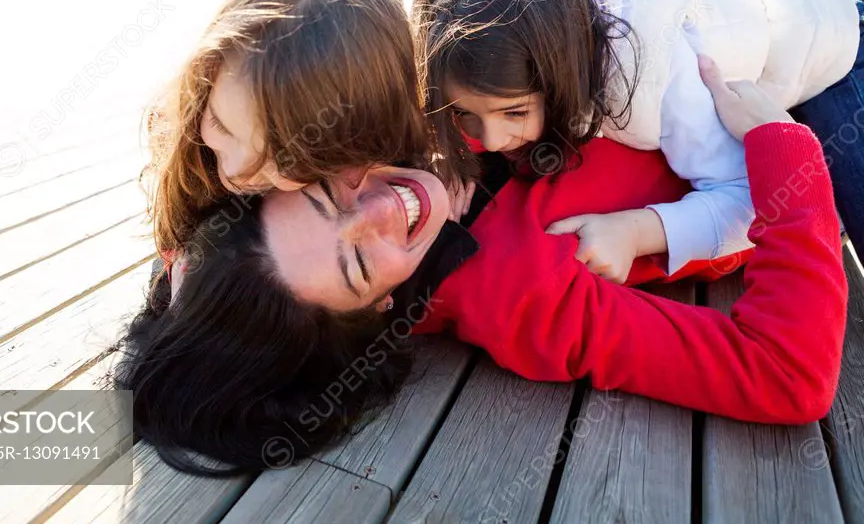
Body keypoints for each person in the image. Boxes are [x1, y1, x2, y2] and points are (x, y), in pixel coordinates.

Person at [114, 56, 848, 476]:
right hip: (818, 108)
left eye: (327, 193)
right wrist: (784, 148)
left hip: (766, 27)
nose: (384, 207)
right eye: (359, 262)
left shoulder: (394, 102)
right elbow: (787, 374)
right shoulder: (525, 297)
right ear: (373, 316)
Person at [413, 0, 864, 284]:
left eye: (514, 112)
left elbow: (755, 202)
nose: (490, 140)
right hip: (760, 10)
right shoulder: (544, 14)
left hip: (837, 39)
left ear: (564, 73)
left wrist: (636, 232)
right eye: (464, 115)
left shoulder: (654, 75)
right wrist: (447, 161)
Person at [144, 0, 456, 280]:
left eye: (279, 159)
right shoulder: (188, 140)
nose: (231, 170)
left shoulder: (393, 196)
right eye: (219, 123)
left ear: (354, 142)